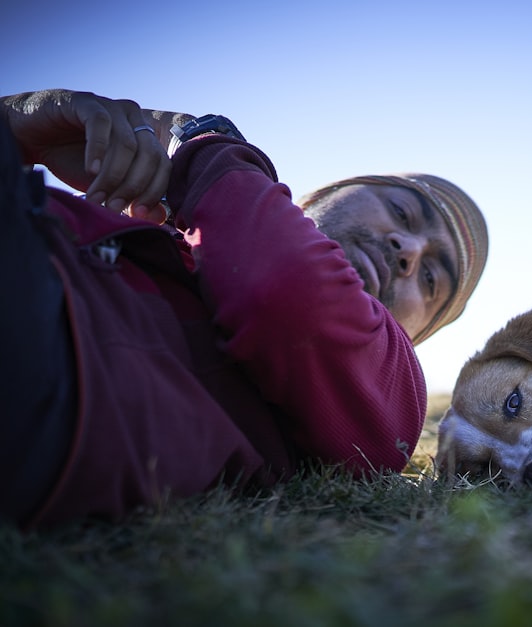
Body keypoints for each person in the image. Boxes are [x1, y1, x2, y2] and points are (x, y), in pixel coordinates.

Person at [0, 89, 488, 530]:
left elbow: (288, 288)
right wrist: (22, 131)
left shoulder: (392, 388)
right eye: (402, 212)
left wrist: (203, 140)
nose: (408, 250)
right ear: (321, 196)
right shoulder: (174, 234)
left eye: (430, 278)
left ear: (418, 333)